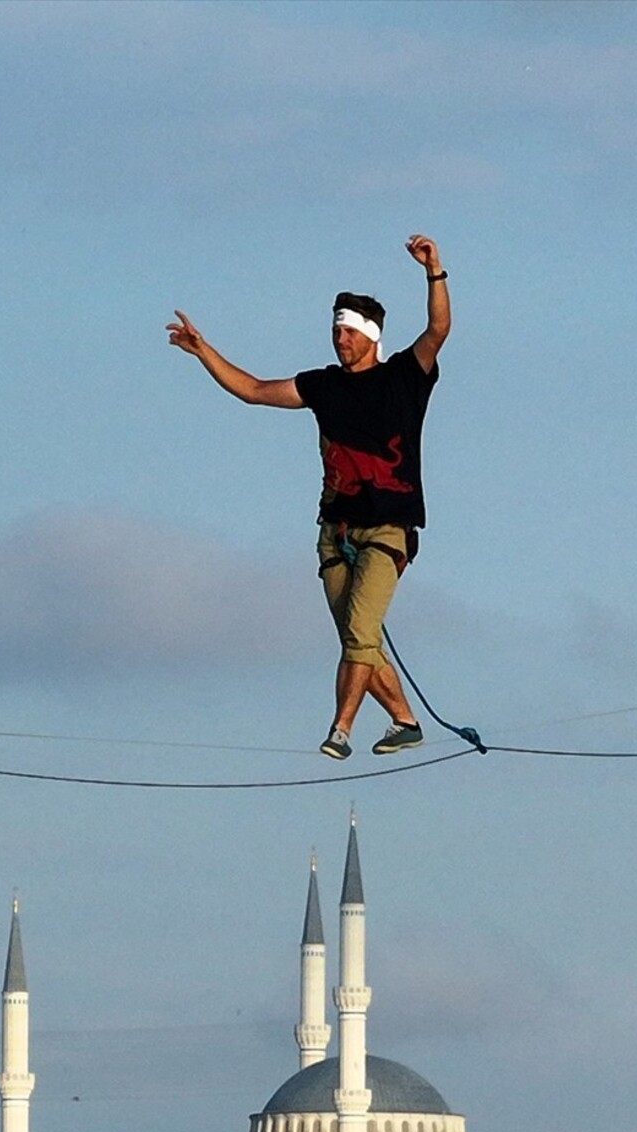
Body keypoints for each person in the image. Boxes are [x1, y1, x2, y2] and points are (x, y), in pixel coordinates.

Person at [167, 235, 450, 758]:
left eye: (347, 331)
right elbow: (252, 390)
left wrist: (434, 271)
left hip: (388, 529)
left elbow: (438, 329)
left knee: (361, 631)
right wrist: (202, 350)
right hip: (334, 533)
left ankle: (340, 730)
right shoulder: (322, 386)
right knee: (356, 639)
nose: (338, 339)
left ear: (369, 336)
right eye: (334, 330)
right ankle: (405, 720)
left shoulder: (404, 377)